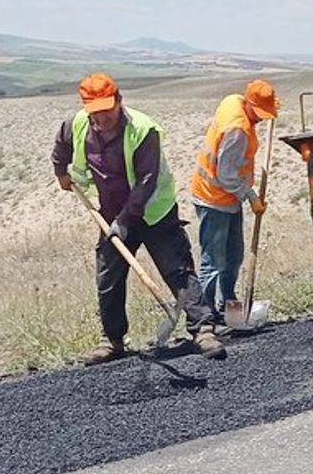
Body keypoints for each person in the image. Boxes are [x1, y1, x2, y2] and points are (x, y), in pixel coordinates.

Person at [52, 73, 223, 365]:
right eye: (96, 111)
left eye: (108, 109)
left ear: (119, 101)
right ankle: (112, 340)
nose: (103, 117)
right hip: (111, 213)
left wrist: (125, 221)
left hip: (154, 212)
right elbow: (61, 147)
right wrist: (61, 172)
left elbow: (146, 181)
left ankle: (203, 329)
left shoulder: (143, 130)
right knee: (108, 276)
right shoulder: (77, 124)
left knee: (177, 269)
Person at [190, 80, 279, 326]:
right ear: (248, 103)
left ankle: (229, 308)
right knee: (213, 262)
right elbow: (226, 174)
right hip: (213, 199)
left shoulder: (233, 100)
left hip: (228, 198)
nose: (260, 119)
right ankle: (206, 317)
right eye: (259, 113)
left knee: (234, 256)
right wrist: (251, 197)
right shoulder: (237, 131)